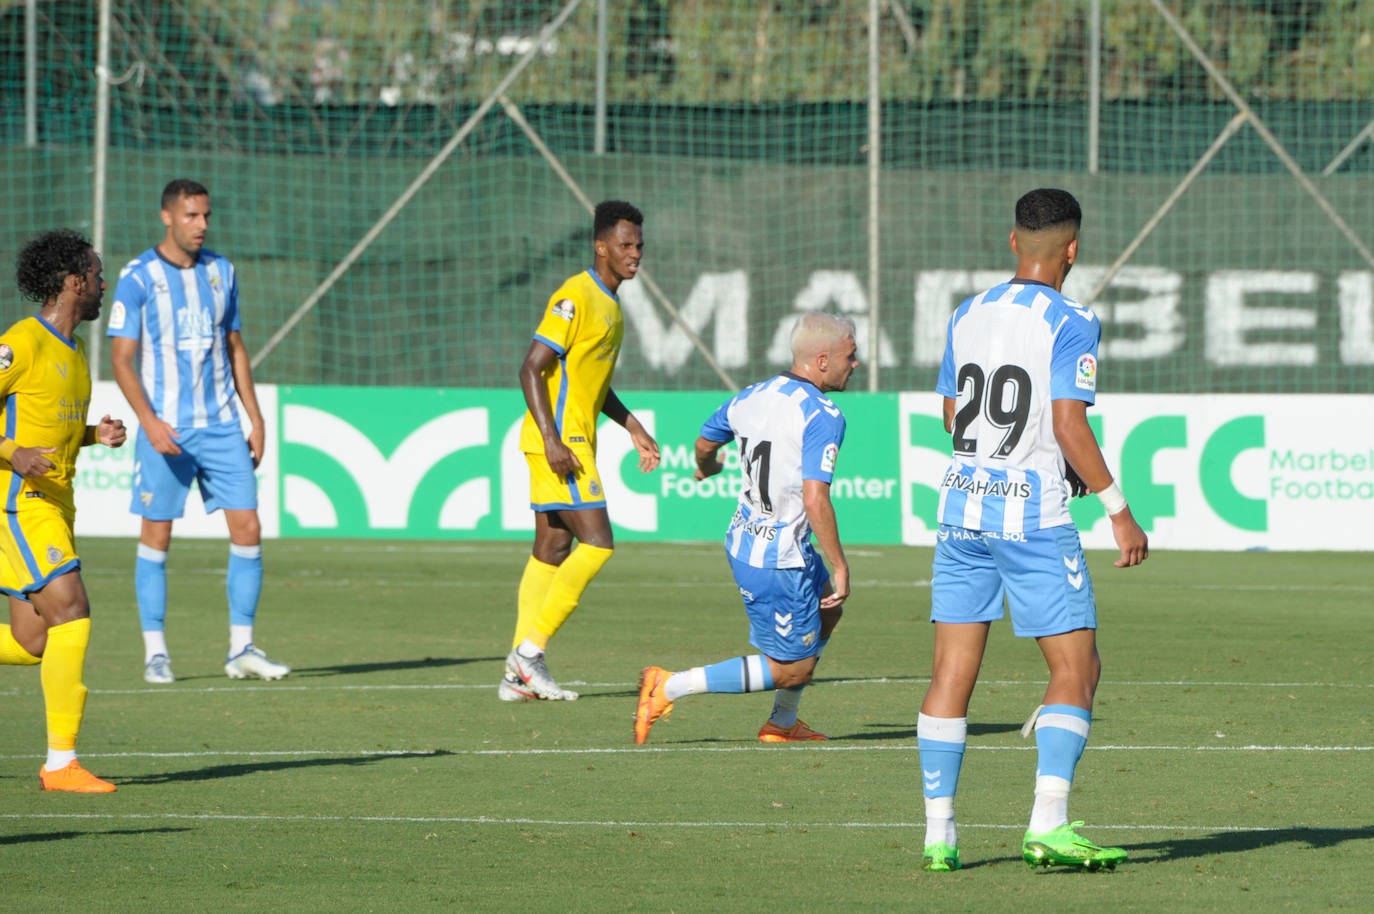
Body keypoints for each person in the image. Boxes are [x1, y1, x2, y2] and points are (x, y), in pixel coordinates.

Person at [916, 188, 1149, 873]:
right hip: (1033, 520)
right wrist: (1118, 509)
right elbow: (1068, 422)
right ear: (1073, 251)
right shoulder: (1074, 319)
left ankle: (939, 836)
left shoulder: (968, 311)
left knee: (951, 673)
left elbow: (953, 412)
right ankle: (1047, 821)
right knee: (1078, 669)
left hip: (961, 507)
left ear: (1013, 241)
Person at [634, 312, 857, 745]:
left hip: (758, 540)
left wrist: (707, 467)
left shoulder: (751, 396)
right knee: (792, 667)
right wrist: (840, 563)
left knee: (829, 611)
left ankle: (783, 724)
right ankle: (666, 686)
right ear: (824, 360)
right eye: (852, 356)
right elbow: (815, 499)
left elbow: (703, 443)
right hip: (776, 559)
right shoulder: (823, 415)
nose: (857, 364)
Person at [107, 178, 289, 684]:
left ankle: (242, 649)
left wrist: (256, 418)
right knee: (157, 535)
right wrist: (149, 421)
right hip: (165, 428)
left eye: (205, 215)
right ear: (167, 217)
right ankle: (156, 653)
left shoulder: (221, 272)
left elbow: (235, 347)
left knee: (248, 528)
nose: (202, 225)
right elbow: (121, 359)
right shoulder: (138, 277)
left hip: (222, 425)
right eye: (191, 216)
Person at [501, 200, 661, 702]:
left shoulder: (611, 306)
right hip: (561, 445)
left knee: (551, 548)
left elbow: (592, 386)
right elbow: (531, 367)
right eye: (625, 245)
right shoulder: (576, 296)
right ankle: (529, 656)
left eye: (639, 245)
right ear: (601, 247)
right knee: (598, 543)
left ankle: (516, 674)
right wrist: (551, 440)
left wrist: (632, 425)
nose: (635, 253)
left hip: (571, 440)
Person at [1, 229, 128, 792]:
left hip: (55, 503)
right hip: (18, 505)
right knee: (72, 610)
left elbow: (52, 431)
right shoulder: (21, 343)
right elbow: (22, 445)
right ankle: (61, 763)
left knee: (34, 643)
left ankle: (62, 762)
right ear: (74, 281)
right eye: (98, 275)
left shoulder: (74, 356)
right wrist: (11, 453)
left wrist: (92, 435)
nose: (103, 284)